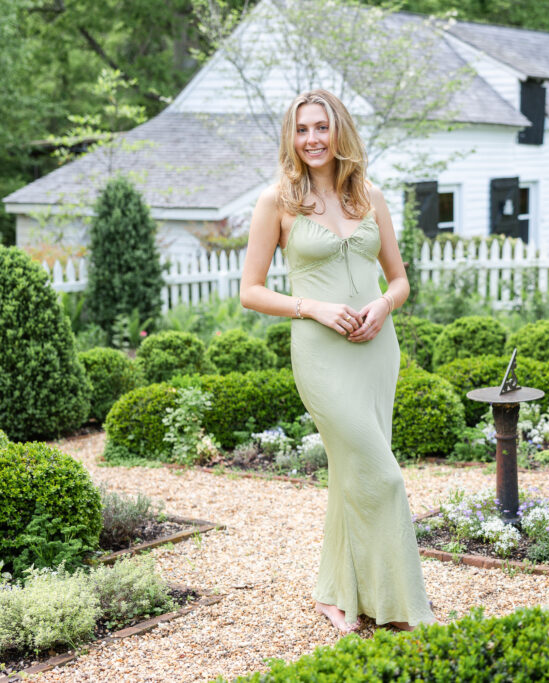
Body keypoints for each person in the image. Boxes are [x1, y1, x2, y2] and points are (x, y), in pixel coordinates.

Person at [240, 90, 435, 633]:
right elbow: (250, 292)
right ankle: (403, 608)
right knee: (385, 476)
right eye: (301, 130)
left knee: (353, 473)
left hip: (377, 348)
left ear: (339, 130)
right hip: (322, 355)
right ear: (291, 138)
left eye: (321, 127)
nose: (312, 139)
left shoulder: (369, 196)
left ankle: (337, 594)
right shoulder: (275, 202)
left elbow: (400, 280)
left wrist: (382, 304)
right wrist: (315, 308)